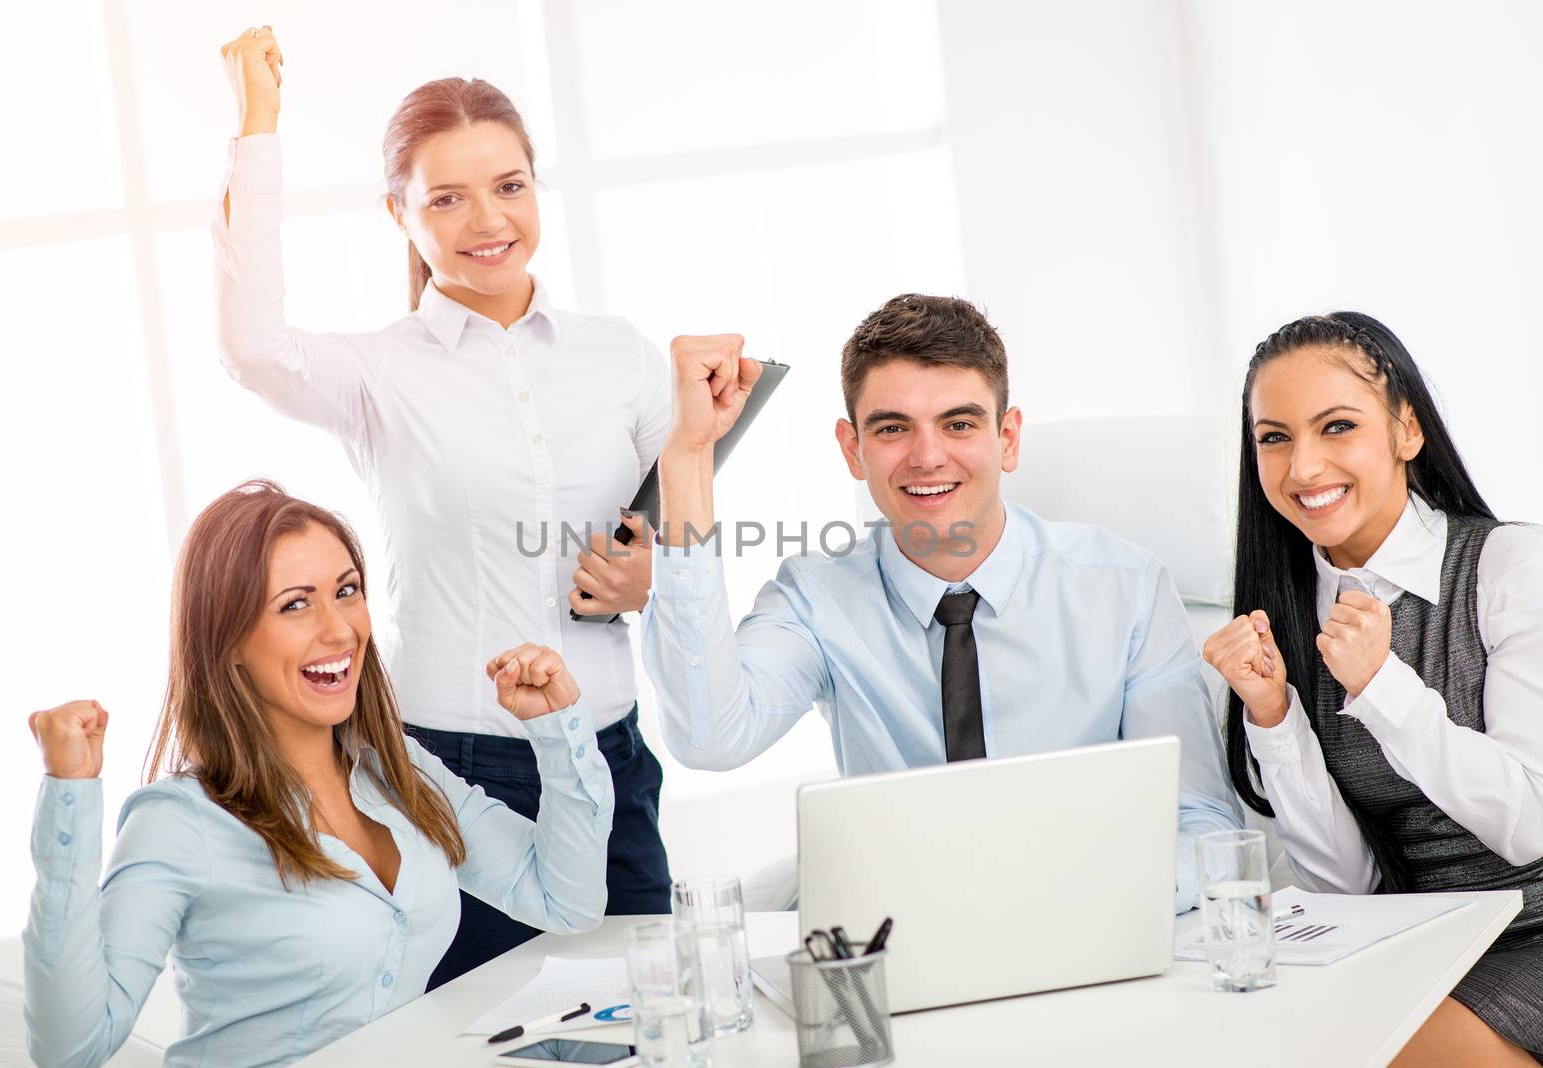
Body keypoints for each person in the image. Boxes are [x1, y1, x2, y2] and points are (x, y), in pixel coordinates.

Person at [213, 27, 672, 982]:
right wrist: (257, 126)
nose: (486, 219)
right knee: (482, 1030)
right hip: (460, 773)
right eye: (446, 198)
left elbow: (681, 533)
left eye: (508, 186)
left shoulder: (621, 352)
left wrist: (653, 570)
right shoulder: (380, 375)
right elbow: (253, 347)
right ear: (399, 213)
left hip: (610, 755)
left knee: (653, 1017)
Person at [641, 294, 1243, 913]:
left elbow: (1201, 824)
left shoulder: (1127, 588)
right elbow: (709, 736)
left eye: (958, 424)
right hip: (910, 937)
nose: (927, 457)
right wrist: (688, 456)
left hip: (1100, 918)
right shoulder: (816, 598)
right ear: (853, 449)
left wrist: (1084, 904)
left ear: (1007, 439)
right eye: (893, 428)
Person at [21, 482, 610, 1068]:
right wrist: (69, 795)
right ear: (228, 641)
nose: (339, 629)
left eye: (346, 591)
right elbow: (72, 1049)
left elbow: (565, 900)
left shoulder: (396, 771)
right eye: (295, 604)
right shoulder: (179, 822)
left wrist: (556, 730)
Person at [1204, 312, 1543, 1066]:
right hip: (1418, 945)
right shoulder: (1291, 611)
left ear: (1406, 431)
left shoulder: (1508, 566)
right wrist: (1273, 716)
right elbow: (1345, 892)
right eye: (1275, 438)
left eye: (1336, 426)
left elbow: (1529, 826)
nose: (1302, 470)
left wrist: (1384, 685)